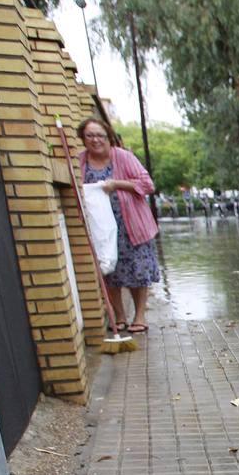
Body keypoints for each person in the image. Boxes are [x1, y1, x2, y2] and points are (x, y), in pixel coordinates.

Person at [78, 118, 160, 333]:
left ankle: (139, 316)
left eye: (100, 135)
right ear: (83, 139)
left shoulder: (123, 157)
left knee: (137, 270)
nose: (96, 140)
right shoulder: (80, 162)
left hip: (130, 225)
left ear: (108, 137)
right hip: (100, 228)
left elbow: (147, 184)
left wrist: (117, 185)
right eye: (90, 136)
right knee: (109, 271)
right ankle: (119, 316)